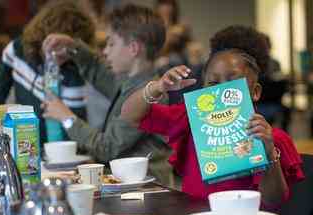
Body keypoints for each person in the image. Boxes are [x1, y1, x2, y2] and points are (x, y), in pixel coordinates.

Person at [120, 25, 304, 205]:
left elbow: (275, 199)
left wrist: (268, 150)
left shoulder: (273, 138)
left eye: (233, 81)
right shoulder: (190, 118)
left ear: (255, 91)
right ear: (204, 89)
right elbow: (129, 115)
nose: (222, 90)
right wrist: (157, 87)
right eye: (213, 83)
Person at [41, 4, 173, 185]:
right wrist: (73, 47)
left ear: (134, 48)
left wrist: (67, 118)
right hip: (133, 188)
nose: (105, 51)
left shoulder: (150, 95)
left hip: (148, 191)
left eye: (111, 43)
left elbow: (107, 148)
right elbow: (99, 72)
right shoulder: (132, 83)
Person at [0, 0, 95, 144]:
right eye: (55, 42)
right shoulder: (16, 50)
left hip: (60, 151)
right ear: (42, 33)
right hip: (23, 142)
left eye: (68, 47)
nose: (60, 52)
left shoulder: (73, 73)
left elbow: (76, 128)